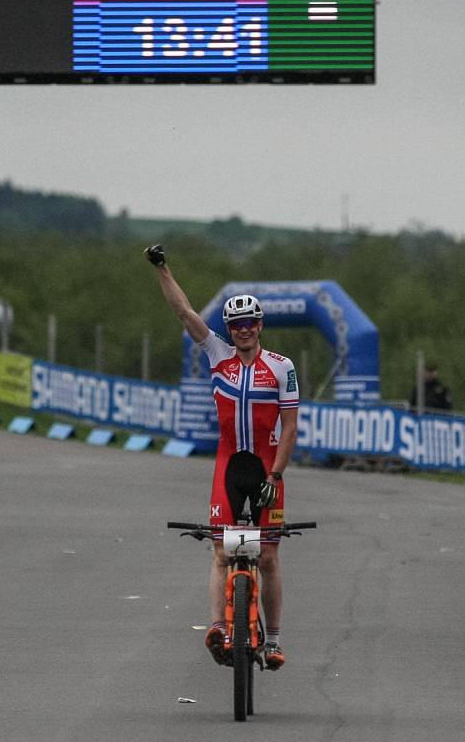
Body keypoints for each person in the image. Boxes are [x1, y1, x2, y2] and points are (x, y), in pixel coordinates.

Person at [144, 244, 299, 671]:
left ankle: (274, 642)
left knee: (267, 557)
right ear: (229, 329)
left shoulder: (282, 367)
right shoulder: (218, 355)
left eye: (250, 322)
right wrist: (162, 268)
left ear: (260, 324)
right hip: (229, 466)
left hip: (267, 469)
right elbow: (184, 312)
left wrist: (277, 474)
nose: (243, 330)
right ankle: (221, 627)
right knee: (220, 550)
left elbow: (289, 427)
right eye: (236, 324)